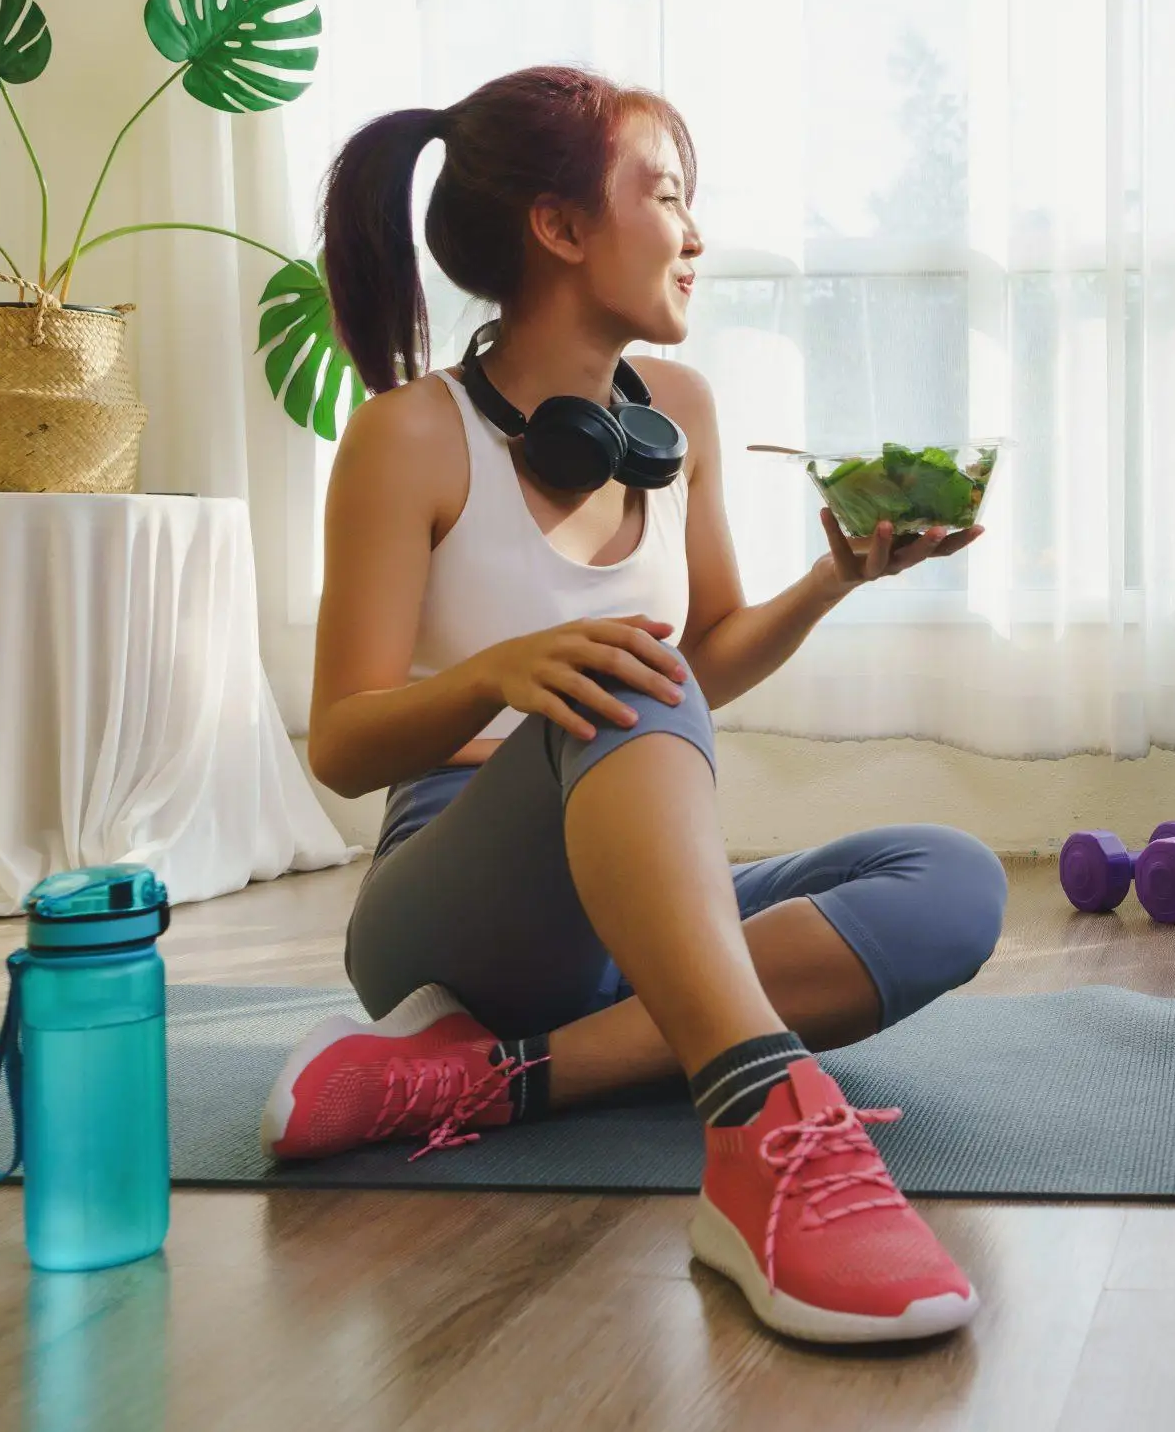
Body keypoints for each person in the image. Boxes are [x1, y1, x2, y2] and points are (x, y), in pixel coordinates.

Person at [257, 66, 1002, 1345]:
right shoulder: (408, 435)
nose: (697, 236)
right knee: (627, 681)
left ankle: (498, 1083)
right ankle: (762, 1122)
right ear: (558, 227)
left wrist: (833, 577)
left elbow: (704, 655)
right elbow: (337, 743)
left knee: (952, 879)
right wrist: (496, 674)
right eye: (667, 195)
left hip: (638, 886)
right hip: (458, 893)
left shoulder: (683, 415)